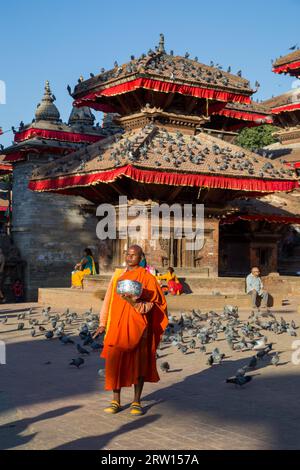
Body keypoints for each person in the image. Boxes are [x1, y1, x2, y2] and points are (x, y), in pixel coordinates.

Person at [93, 244, 168, 416]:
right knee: (114, 363)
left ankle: (136, 401)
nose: (129, 257)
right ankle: (115, 400)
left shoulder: (148, 278)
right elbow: (109, 300)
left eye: (133, 255)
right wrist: (103, 322)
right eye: (127, 254)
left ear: (141, 257)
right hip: (117, 326)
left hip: (138, 328)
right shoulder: (118, 275)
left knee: (138, 365)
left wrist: (134, 303)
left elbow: (154, 305)